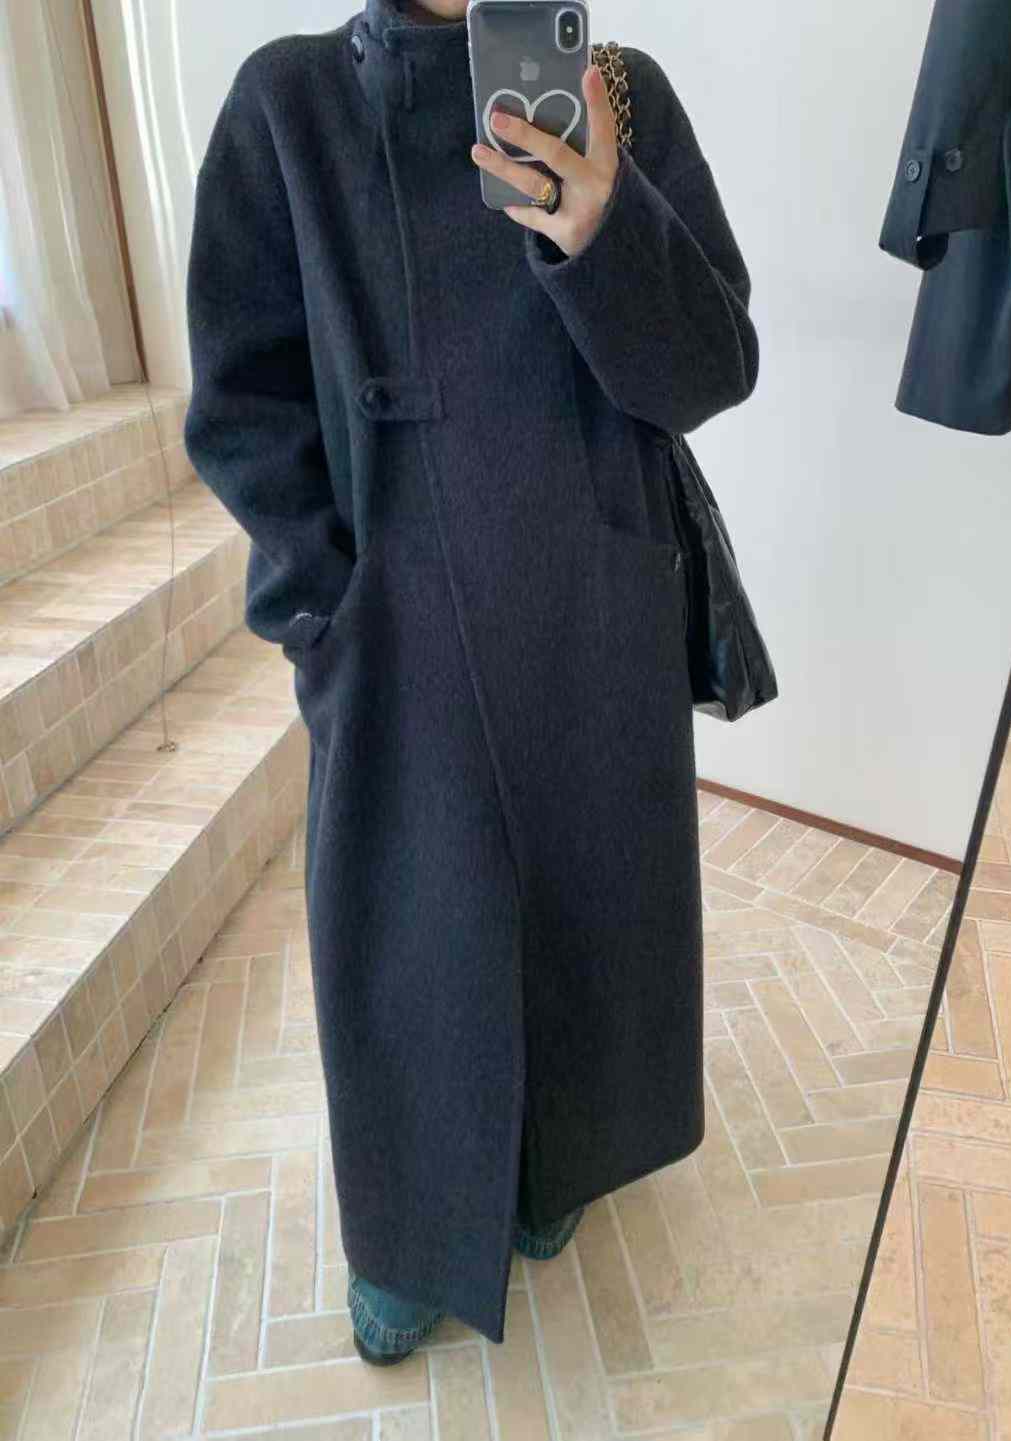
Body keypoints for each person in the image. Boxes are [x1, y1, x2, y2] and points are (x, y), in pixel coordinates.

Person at [184, 0, 758, 1365]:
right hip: (395, 611)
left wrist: (603, 226)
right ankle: (409, 1231)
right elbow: (243, 398)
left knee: (593, 904)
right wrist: (321, 602)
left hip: (593, 590)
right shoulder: (291, 106)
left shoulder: (618, 92)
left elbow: (711, 371)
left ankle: (561, 1162)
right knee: (406, 927)